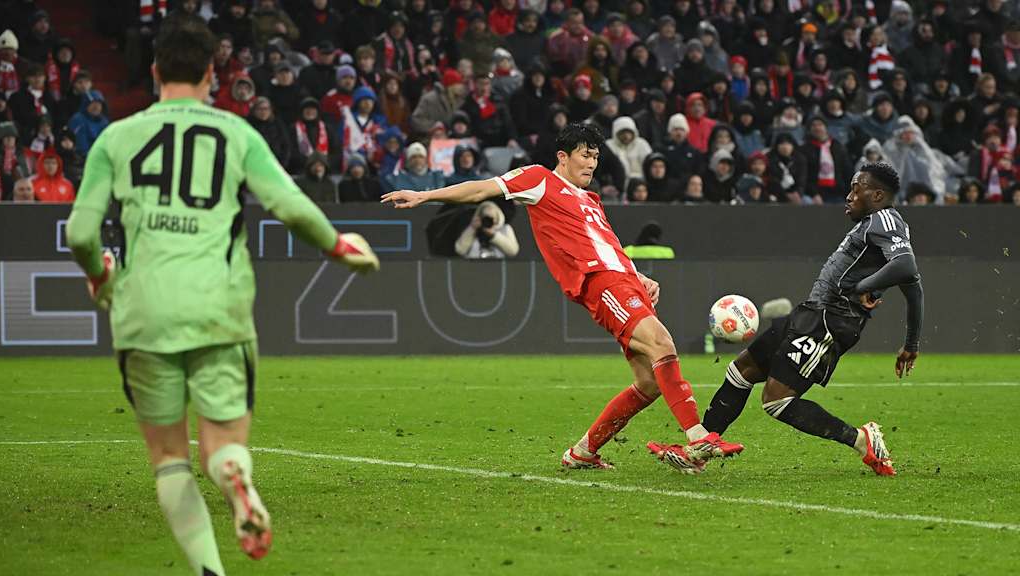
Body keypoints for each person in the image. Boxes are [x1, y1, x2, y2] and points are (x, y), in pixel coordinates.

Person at [64, 17, 379, 576]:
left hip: (143, 314)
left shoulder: (116, 137)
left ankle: (210, 570)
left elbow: (82, 234)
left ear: (157, 71)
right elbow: (290, 206)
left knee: (168, 461)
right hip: (218, 310)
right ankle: (236, 479)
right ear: (212, 74)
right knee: (222, 446)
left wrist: (97, 277)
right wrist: (337, 245)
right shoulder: (237, 134)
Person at [383, 122, 744, 474]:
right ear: (563, 156)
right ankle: (697, 436)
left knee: (649, 383)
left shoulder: (590, 200)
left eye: (596, 157)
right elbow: (482, 189)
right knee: (662, 342)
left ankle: (583, 452)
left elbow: (609, 245)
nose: (591, 163)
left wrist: (639, 275)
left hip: (624, 280)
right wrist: (426, 195)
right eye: (585, 155)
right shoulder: (540, 180)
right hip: (599, 283)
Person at [701, 162, 923, 478]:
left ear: (876, 195)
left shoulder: (885, 219)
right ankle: (703, 447)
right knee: (742, 369)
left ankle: (862, 440)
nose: (848, 197)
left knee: (776, 401)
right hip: (812, 312)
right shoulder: (872, 225)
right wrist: (911, 342)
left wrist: (862, 286)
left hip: (831, 321)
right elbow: (913, 287)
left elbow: (906, 267)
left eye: (855, 190)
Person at [454, 200, 519, 258]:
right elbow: (460, 250)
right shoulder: (473, 228)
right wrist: (472, 229)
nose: (487, 222)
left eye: (490, 219)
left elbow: (513, 251)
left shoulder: (505, 229)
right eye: (485, 218)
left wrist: (494, 236)